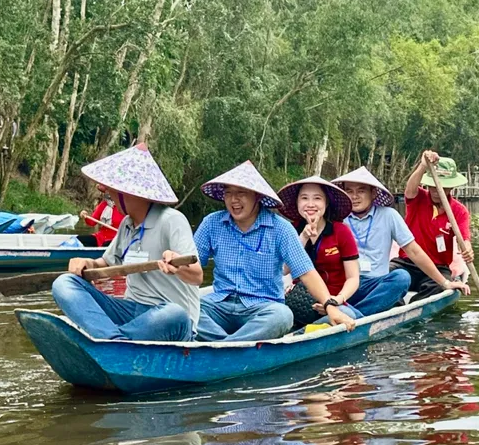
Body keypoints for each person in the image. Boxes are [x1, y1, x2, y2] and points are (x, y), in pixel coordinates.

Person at [52, 144, 203, 341]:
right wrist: (87, 263)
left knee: (175, 314)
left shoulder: (172, 220)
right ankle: (115, 340)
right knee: (64, 283)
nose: (111, 199)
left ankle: (109, 340)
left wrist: (178, 264)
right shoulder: (127, 224)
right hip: (132, 312)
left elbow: (198, 276)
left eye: (112, 193)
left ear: (129, 193)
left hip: (167, 317)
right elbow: (104, 264)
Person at [194, 161, 354, 342]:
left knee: (283, 316)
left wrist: (330, 305)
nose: (233, 200)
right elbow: (193, 265)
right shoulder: (211, 223)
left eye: (241, 193)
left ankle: (221, 347)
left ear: (257, 196)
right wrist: (176, 262)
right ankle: (228, 346)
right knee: (184, 309)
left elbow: (306, 272)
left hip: (263, 308)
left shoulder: (281, 229)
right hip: (219, 305)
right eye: (228, 193)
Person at [333, 166, 469, 311]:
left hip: (382, 280)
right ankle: (370, 310)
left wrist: (446, 283)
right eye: (349, 191)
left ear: (373, 193)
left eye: (361, 191)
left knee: (401, 278)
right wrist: (423, 165)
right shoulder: (336, 218)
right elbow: (410, 190)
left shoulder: (388, 215)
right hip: (348, 282)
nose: (354, 196)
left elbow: (415, 251)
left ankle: (362, 313)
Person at [275, 176, 361, 326]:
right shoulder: (289, 230)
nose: (310, 204)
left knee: (348, 313)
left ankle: (307, 331)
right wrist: (303, 237)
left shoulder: (341, 231)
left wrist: (335, 300)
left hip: (336, 300)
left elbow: (353, 278)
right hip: (302, 300)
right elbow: (283, 270)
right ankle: (303, 333)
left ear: (326, 203)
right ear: (297, 202)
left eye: (317, 198)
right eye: (304, 198)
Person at [390, 151, 474, 298]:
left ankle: (416, 306)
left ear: (452, 187)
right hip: (407, 262)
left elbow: (464, 239)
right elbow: (409, 189)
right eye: (433, 186)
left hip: (438, 268)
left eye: (443, 187)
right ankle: (396, 305)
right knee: (388, 276)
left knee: (439, 287)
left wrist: (467, 249)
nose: (437, 191)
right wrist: (423, 165)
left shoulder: (459, 211)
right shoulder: (418, 198)